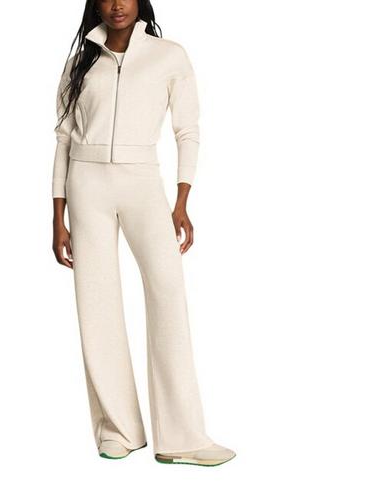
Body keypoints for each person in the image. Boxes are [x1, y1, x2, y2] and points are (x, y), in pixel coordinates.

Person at [51, 0, 236, 467]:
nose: (117, 4)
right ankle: (118, 430)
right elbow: (63, 138)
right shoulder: (80, 61)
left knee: (168, 294)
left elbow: (187, 130)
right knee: (97, 304)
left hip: (142, 180)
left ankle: (182, 438)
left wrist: (182, 199)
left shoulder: (168, 55)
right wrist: (57, 215)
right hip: (86, 183)